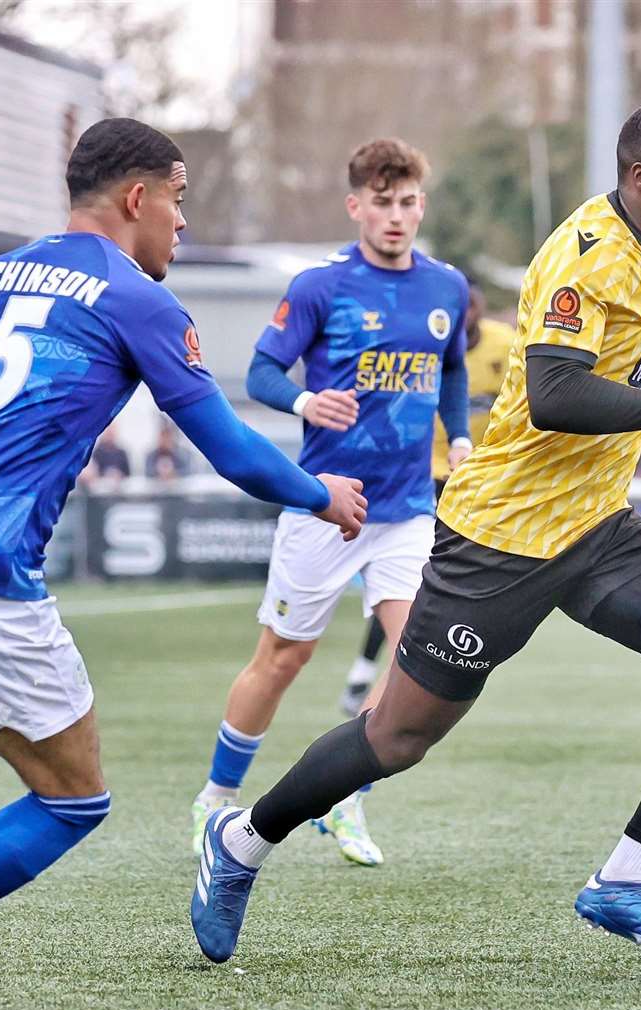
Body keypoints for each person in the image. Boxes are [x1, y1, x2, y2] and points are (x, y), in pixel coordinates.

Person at [192, 100, 641, 964]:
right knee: (397, 738)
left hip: (595, 527)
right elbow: (554, 394)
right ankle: (240, 841)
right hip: (499, 537)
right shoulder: (589, 258)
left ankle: (624, 878)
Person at [0, 118, 365, 909]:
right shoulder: (134, 298)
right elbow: (231, 449)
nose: (183, 223)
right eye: (179, 201)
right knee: (71, 798)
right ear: (137, 196)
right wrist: (323, 494)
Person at [188, 138, 471, 867]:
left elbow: (454, 371)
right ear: (355, 207)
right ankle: (215, 801)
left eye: (408, 203)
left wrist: (462, 436)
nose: (397, 217)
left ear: (421, 205)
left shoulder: (446, 287)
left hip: (407, 508)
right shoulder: (321, 286)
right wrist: (307, 399)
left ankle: (347, 797)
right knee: (283, 659)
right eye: (382, 204)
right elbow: (258, 370)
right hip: (324, 504)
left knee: (414, 659)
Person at [335, 283, 512, 719]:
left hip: (480, 478)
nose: (465, 312)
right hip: (424, 476)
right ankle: (369, 669)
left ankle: (445, 667)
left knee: (468, 581)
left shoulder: (505, 346)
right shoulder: (423, 342)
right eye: (459, 305)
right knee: (410, 581)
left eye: (472, 304)